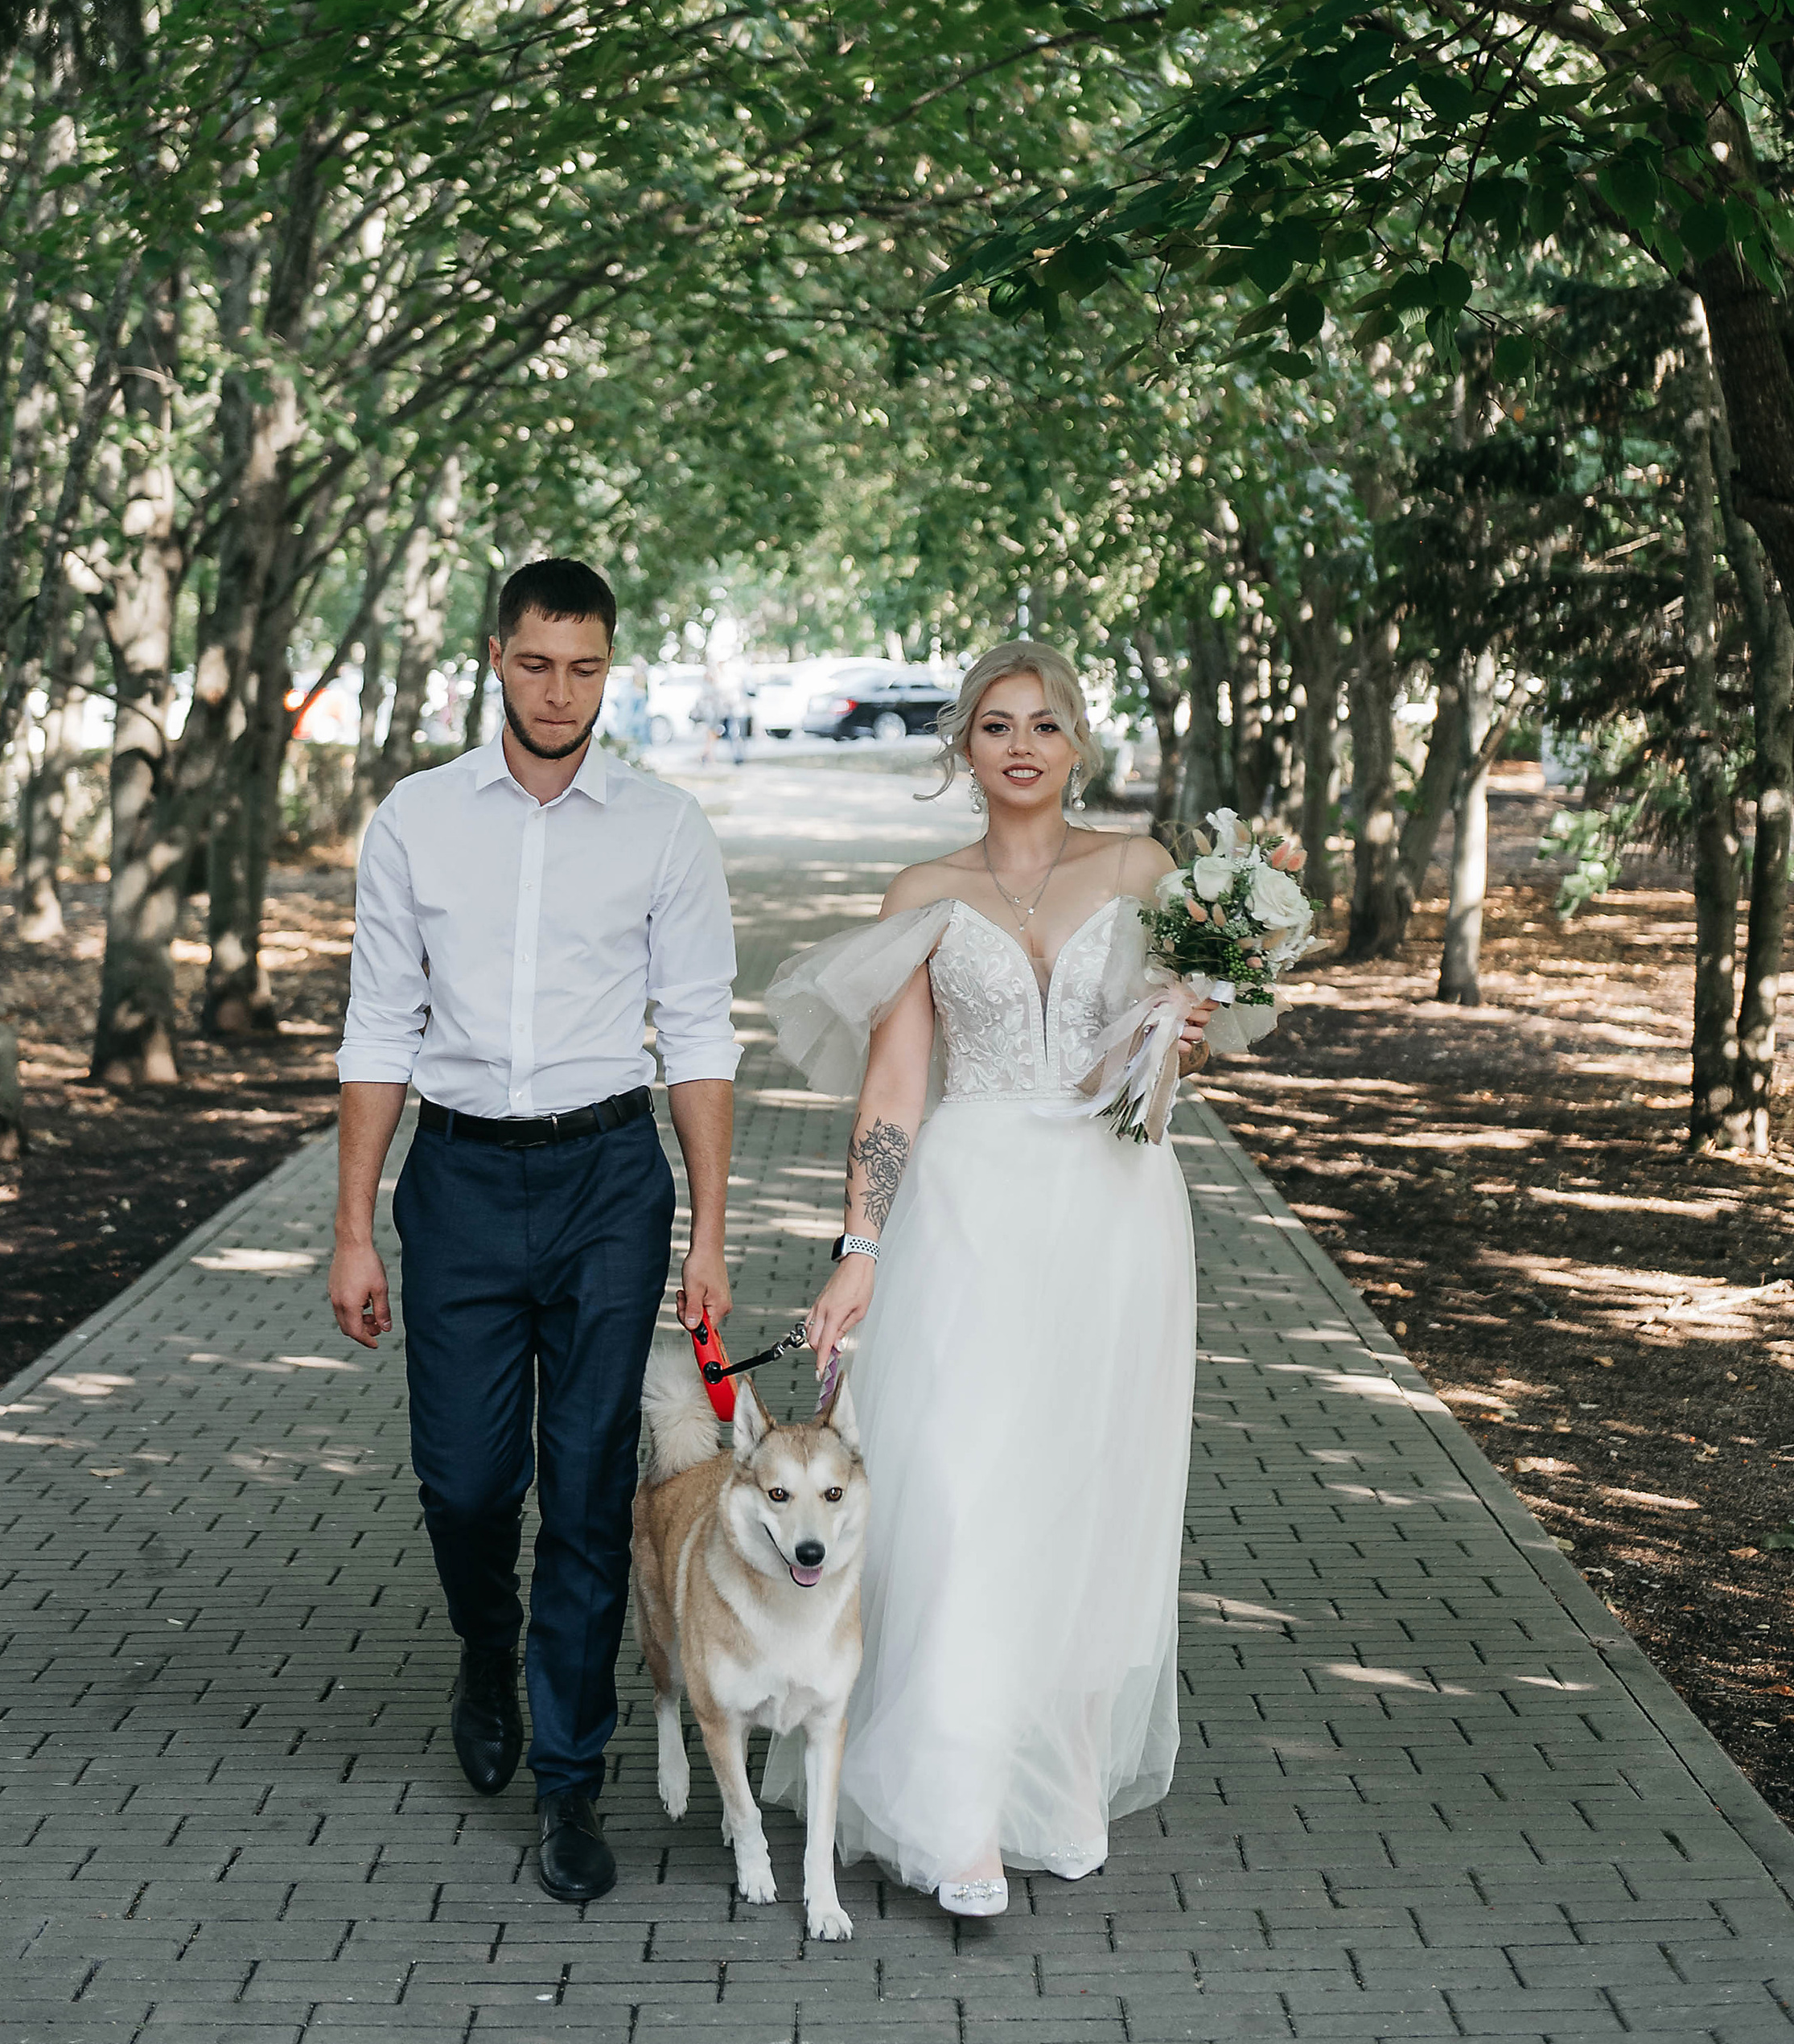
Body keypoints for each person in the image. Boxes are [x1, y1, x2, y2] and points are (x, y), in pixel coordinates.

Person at [763, 640, 1213, 1919]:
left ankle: (1048, 1782)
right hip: (966, 1205)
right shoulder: (925, 887)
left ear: (1079, 743)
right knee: (958, 1489)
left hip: (1116, 1208)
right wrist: (860, 1248)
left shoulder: (1141, 871)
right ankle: (951, 1811)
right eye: (997, 723)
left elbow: (1172, 1070)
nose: (1023, 743)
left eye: (1048, 722)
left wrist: (1174, 1037)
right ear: (964, 745)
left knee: (1080, 1493)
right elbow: (898, 1085)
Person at [329, 555, 739, 1905]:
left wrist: (712, 1236)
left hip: (609, 1178)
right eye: (535, 661)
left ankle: (572, 1780)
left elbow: (699, 1034)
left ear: (610, 667)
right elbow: (379, 1024)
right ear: (494, 656)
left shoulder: (664, 825)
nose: (560, 690)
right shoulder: (416, 819)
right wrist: (353, 1229)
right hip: (452, 1180)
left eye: (585, 666)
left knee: (584, 1492)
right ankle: (485, 1643)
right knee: (461, 1482)